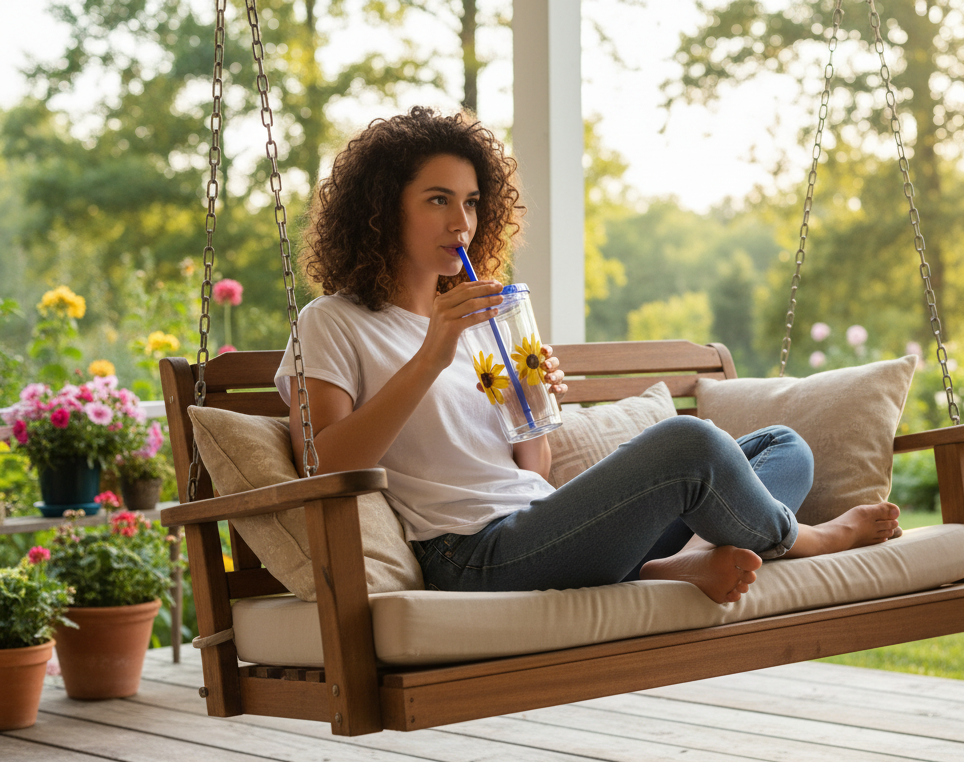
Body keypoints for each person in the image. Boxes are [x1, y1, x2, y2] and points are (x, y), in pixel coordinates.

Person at [277, 106, 901, 604]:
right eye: (438, 199)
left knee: (782, 446)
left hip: (543, 522)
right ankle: (812, 538)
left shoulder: (480, 327)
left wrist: (532, 400)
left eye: (471, 202)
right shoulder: (333, 323)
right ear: (384, 212)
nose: (461, 223)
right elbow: (322, 464)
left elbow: (532, 467)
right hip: (471, 555)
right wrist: (431, 355)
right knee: (689, 443)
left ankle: (664, 566)